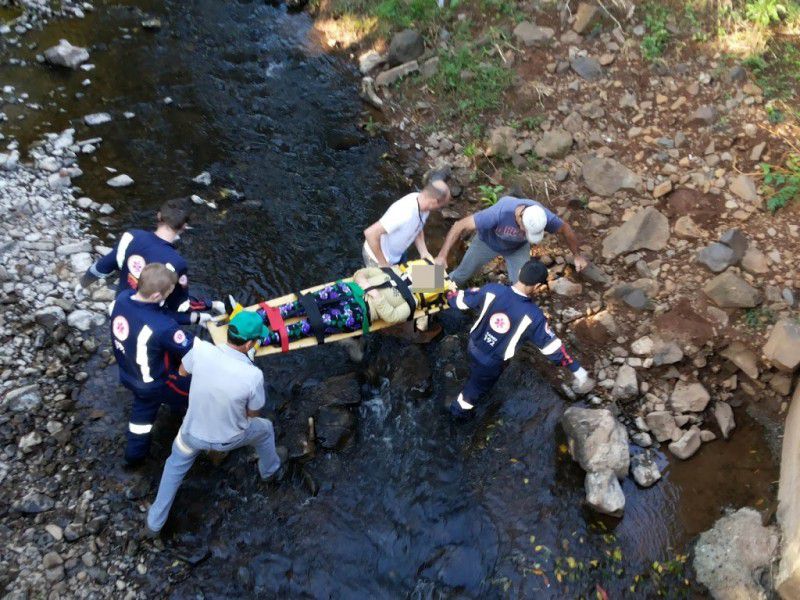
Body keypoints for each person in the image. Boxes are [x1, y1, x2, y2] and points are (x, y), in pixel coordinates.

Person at [144, 311, 286, 536]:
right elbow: (252, 413)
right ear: (249, 344)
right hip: (228, 440)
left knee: (173, 467)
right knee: (265, 429)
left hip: (191, 434)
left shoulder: (201, 350)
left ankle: (154, 524)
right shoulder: (253, 376)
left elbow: (182, 371)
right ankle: (270, 471)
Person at [446, 259, 594, 418]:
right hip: (491, 362)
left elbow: (459, 300)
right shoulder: (534, 316)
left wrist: (442, 289)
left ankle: (467, 377)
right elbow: (553, 349)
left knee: (476, 373)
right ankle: (458, 412)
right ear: (537, 286)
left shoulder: (492, 290)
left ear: (518, 273)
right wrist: (577, 369)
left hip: (473, 345)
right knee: (475, 389)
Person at [80, 198, 223, 325]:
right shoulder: (176, 263)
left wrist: (83, 283)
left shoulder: (131, 237)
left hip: (119, 312)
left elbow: (103, 266)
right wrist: (211, 305)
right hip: (146, 324)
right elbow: (179, 306)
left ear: (159, 216)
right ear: (183, 227)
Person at [255, 261, 455, 349]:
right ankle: (264, 317)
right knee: (306, 303)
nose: (412, 277)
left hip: (359, 312)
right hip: (348, 290)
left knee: (316, 323)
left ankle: (268, 338)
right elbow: (360, 273)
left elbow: (391, 317)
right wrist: (367, 285)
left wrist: (375, 295)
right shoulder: (392, 273)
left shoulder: (410, 304)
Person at [109, 263, 193, 465]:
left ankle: (134, 457)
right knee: (192, 389)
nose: (170, 295)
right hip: (152, 383)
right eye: (169, 292)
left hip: (128, 372)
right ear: (156, 296)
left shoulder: (123, 299)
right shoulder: (163, 327)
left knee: (142, 416)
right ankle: (184, 416)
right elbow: (191, 350)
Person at [436, 195, 588, 287]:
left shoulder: (543, 216)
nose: (525, 233)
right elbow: (459, 226)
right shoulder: (498, 214)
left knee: (522, 285)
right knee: (460, 275)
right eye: (526, 231)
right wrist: (442, 255)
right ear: (520, 217)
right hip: (486, 242)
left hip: (517, 249)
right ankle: (422, 286)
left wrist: (577, 255)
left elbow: (565, 229)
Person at [362, 180, 451, 268]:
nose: (439, 209)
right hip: (377, 258)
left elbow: (418, 226)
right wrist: (384, 264)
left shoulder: (424, 207)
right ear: (434, 202)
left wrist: (424, 252)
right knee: (393, 280)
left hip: (397, 256)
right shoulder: (404, 212)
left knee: (435, 276)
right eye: (440, 207)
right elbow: (370, 233)